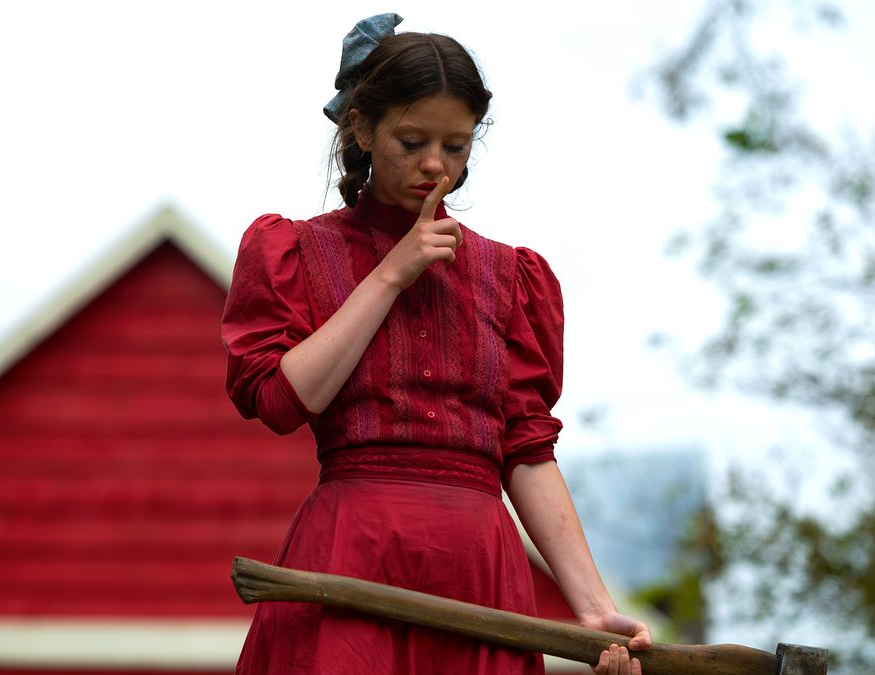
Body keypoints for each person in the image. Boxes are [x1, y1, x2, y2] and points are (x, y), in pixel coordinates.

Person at [222, 13, 652, 675]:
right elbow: (282, 399)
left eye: (455, 146)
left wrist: (592, 605)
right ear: (361, 129)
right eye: (412, 140)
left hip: (478, 568)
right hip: (350, 553)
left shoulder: (512, 275)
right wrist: (392, 272)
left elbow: (528, 450)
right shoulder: (296, 250)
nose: (435, 164)